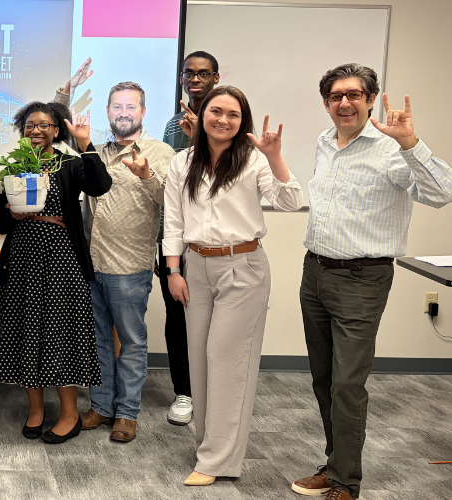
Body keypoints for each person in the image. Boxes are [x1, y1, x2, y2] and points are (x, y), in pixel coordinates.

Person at [291, 64, 452, 500]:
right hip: (315, 273)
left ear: (370, 98)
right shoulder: (324, 143)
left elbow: (443, 193)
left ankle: (347, 482)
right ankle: (334, 465)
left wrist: (411, 144)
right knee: (323, 378)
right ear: (325, 102)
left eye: (354, 94)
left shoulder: (390, 148)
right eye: (335, 96)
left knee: (348, 383)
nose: (344, 103)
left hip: (362, 278)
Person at [163, 86, 302, 485]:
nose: (223, 120)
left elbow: (290, 201)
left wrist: (275, 157)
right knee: (201, 361)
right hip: (195, 267)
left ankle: (216, 462)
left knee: (227, 362)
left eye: (234, 115)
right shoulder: (182, 162)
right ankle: (210, 445)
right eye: (216, 111)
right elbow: (173, 220)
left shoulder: (254, 160)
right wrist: (173, 271)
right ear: (203, 113)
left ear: (244, 122)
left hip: (242, 265)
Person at [60, 81, 175, 442]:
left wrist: (147, 176)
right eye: (117, 107)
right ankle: (101, 407)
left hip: (130, 267)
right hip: (92, 265)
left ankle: (127, 413)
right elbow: (55, 126)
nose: (123, 113)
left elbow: (171, 201)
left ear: (142, 113)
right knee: (98, 342)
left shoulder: (160, 152)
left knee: (131, 341)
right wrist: (64, 96)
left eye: (131, 107)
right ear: (108, 113)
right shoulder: (92, 150)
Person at [0, 102, 112, 444]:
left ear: (57, 130)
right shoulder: (13, 167)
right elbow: (0, 221)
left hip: (61, 261)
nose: (36, 130)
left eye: (45, 125)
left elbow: (100, 186)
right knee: (27, 330)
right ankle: (35, 409)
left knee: (61, 333)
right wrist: (13, 214)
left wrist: (86, 145)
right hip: (23, 262)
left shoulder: (69, 163)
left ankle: (70, 413)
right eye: (30, 125)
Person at [158, 50, 221, 425]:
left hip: (215, 242)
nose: (194, 79)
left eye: (203, 73)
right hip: (176, 239)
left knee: (217, 321)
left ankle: (214, 391)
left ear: (216, 77)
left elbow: (223, 180)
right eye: (188, 74)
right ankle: (184, 392)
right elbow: (173, 186)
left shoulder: (229, 119)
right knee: (176, 315)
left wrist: (202, 136)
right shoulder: (170, 125)